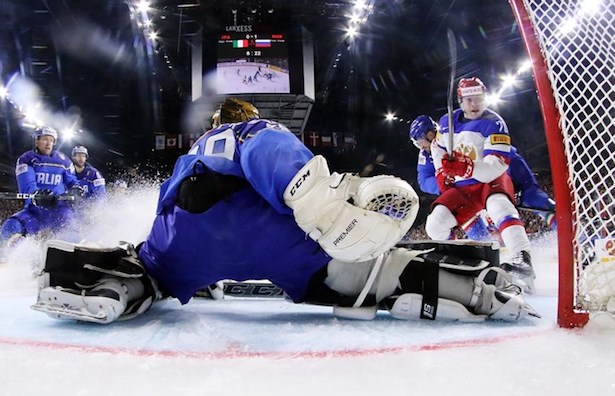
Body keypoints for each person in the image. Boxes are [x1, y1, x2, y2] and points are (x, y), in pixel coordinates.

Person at [31, 98, 538, 325]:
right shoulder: (251, 127)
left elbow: (168, 202)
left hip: (188, 238)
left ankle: (117, 286)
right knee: (364, 274)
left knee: (151, 264)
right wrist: (319, 204)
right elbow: (264, 146)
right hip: (277, 237)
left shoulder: (201, 145)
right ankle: (467, 290)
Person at [424, 77, 537, 292]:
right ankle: (452, 259)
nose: (474, 104)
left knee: (499, 206)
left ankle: (522, 261)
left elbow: (497, 164)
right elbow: (437, 147)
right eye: (469, 100)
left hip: (490, 180)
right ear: (460, 100)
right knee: (434, 224)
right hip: (463, 186)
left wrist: (465, 167)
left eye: (478, 99)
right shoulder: (447, 122)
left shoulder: (495, 123)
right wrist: (441, 171)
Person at [0, 126, 83, 246]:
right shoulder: (26, 159)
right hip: (35, 211)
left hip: (60, 210)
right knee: (11, 226)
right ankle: (25, 251)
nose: (48, 143)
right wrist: (36, 194)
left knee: (70, 232)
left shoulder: (65, 161)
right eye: (45, 139)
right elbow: (27, 183)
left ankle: (78, 248)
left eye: (51, 140)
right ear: (37, 141)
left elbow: (72, 182)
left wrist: (76, 189)